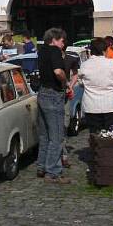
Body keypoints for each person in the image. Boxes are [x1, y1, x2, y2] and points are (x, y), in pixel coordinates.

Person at [35, 28, 69, 183]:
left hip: (42, 92)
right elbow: (57, 71)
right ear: (55, 39)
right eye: (63, 41)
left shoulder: (42, 51)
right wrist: (65, 82)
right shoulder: (55, 50)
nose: (63, 44)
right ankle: (53, 171)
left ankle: (42, 166)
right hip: (53, 94)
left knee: (45, 135)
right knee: (56, 136)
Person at [79, 37, 113, 134]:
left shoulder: (85, 65)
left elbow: (81, 83)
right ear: (104, 50)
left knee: (95, 135)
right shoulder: (111, 63)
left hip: (91, 106)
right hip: (111, 105)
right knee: (111, 135)